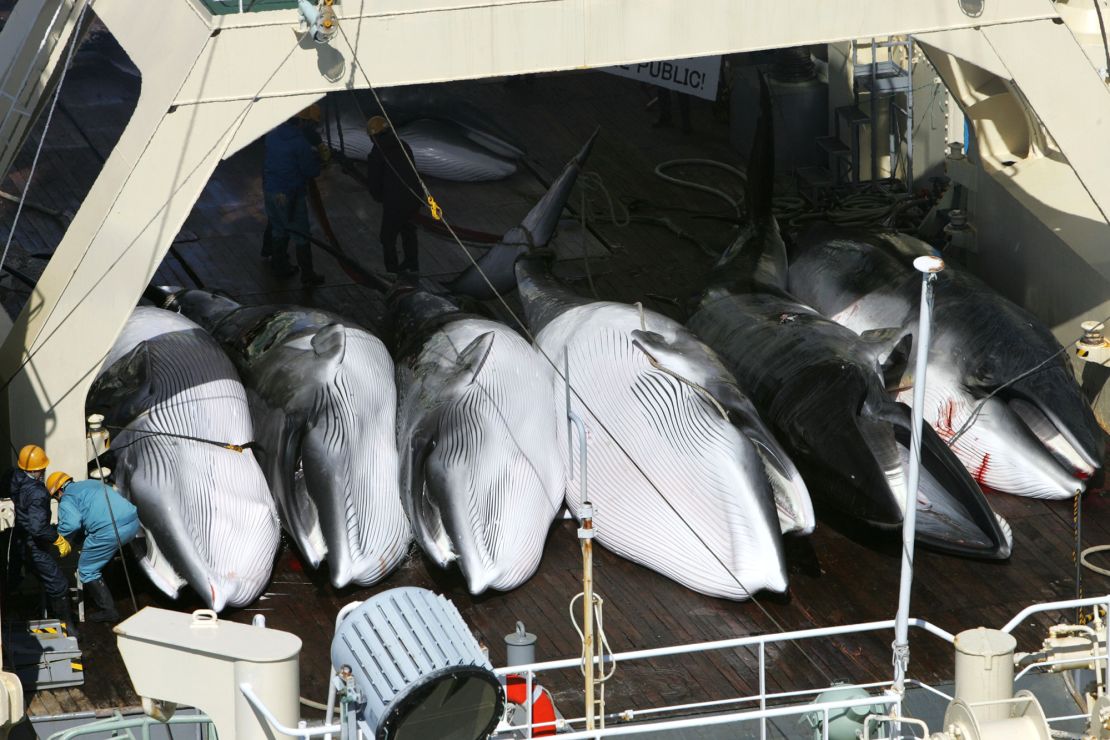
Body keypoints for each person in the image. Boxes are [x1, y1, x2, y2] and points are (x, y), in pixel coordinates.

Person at [3, 445, 77, 637]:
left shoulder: (13, 477)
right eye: (43, 469)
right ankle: (69, 628)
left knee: (13, 578)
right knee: (58, 584)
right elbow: (38, 528)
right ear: (36, 470)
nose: (44, 472)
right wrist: (58, 539)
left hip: (17, 539)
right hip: (33, 545)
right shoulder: (38, 493)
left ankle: (7, 615)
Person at [47, 471, 139, 624]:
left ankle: (109, 611)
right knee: (103, 555)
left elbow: (72, 523)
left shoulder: (67, 499)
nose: (57, 499)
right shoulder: (90, 483)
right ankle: (106, 587)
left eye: (55, 497)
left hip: (110, 531)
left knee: (87, 570)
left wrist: (58, 538)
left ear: (59, 491)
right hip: (133, 523)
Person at [261, 105, 328, 286]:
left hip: (271, 191)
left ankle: (279, 267)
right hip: (291, 194)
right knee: (301, 234)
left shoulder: (272, 135)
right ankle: (307, 275)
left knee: (278, 229)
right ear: (302, 121)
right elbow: (310, 171)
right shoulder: (300, 142)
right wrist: (320, 162)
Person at [366, 115, 423, 275]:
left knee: (387, 237)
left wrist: (379, 197)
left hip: (395, 202)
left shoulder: (377, 153)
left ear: (373, 136)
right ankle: (412, 265)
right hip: (414, 198)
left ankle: (392, 272)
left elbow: (374, 183)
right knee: (408, 230)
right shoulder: (403, 145)